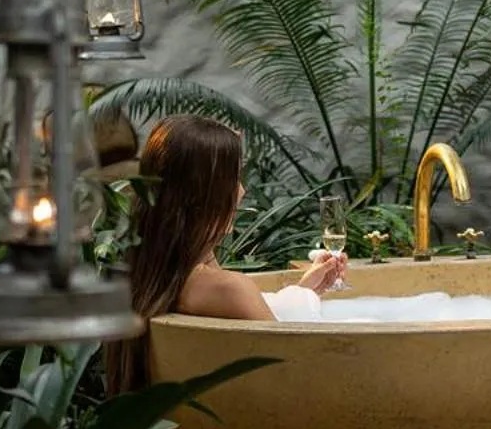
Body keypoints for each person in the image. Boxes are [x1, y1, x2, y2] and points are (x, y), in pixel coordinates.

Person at [103, 114, 345, 395]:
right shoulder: (228, 289)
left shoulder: (149, 274)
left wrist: (306, 290)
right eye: (234, 176)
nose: (241, 190)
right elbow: (295, 371)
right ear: (206, 194)